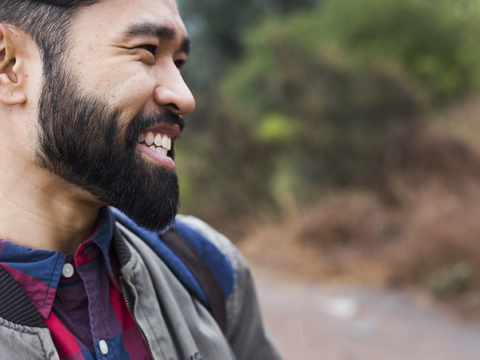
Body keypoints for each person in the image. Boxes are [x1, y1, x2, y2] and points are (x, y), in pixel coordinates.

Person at [0, 0, 283, 359]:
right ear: (10, 66)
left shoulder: (208, 265)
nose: (185, 97)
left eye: (178, 63)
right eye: (147, 50)